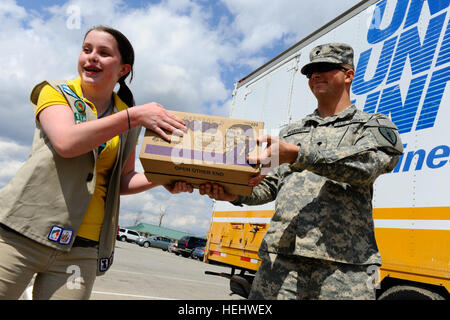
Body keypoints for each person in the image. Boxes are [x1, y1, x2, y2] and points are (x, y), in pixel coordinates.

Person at [0, 25, 192, 300]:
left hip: (82, 249)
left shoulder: (128, 117)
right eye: (86, 50)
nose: (91, 58)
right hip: (22, 233)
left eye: (103, 53)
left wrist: (165, 177)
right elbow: (67, 142)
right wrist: (135, 117)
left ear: (123, 69)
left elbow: (122, 180)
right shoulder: (55, 92)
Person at [199, 43, 403, 300]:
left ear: (348, 75)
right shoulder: (291, 133)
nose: (316, 75)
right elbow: (269, 186)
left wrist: (299, 154)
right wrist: (234, 193)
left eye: (326, 68)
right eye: (311, 72)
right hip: (281, 262)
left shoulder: (372, 125)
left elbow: (369, 166)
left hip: (342, 268)